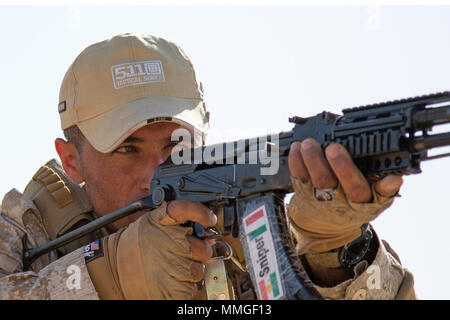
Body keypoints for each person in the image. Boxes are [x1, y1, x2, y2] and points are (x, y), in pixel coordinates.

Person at [0, 33, 416, 300]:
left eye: (176, 145)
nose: (153, 173)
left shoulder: (246, 225)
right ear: (71, 160)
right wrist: (114, 276)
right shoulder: (23, 231)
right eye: (126, 148)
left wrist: (333, 253)